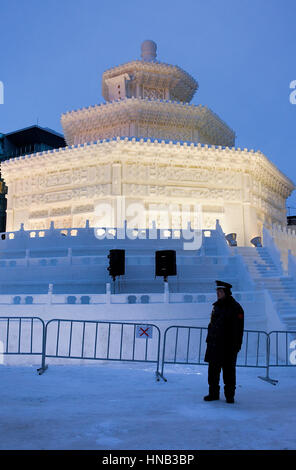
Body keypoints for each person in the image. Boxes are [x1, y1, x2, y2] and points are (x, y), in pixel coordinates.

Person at [204, 280, 244, 403]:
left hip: (228, 347)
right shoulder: (216, 306)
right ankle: (213, 393)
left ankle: (229, 396)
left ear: (226, 292)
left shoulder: (235, 308)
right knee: (213, 372)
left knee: (229, 373)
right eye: (217, 291)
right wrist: (209, 340)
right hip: (215, 345)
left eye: (220, 291)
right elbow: (213, 325)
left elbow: (238, 329)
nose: (218, 293)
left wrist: (236, 346)